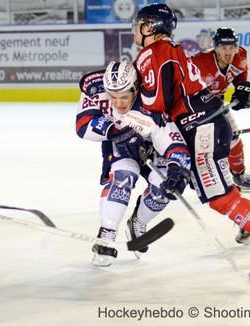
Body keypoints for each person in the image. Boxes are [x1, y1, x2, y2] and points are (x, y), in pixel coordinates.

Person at [131, 3, 250, 263]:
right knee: (176, 184)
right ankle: (137, 222)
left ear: (151, 27)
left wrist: (143, 129)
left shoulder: (153, 53)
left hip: (197, 128)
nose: (135, 30)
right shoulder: (168, 50)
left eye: (138, 25)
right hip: (200, 125)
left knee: (218, 196)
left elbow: (158, 102)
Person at [76, 60, 191, 266]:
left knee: (163, 188)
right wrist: (114, 131)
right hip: (121, 147)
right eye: (114, 97)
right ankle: (107, 233)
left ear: (135, 89)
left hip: (154, 150)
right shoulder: (98, 92)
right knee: (123, 175)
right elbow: (82, 124)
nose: (119, 103)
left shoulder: (151, 104)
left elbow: (173, 144)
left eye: (124, 97)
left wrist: (178, 170)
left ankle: (138, 222)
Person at [191, 27, 250, 192]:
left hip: (217, 105)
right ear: (215, 47)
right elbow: (184, 89)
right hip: (195, 108)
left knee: (234, 139)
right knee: (208, 147)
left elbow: (240, 78)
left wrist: (241, 90)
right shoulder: (199, 63)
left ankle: (239, 175)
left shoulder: (241, 56)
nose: (228, 52)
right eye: (224, 47)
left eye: (232, 47)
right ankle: (206, 180)